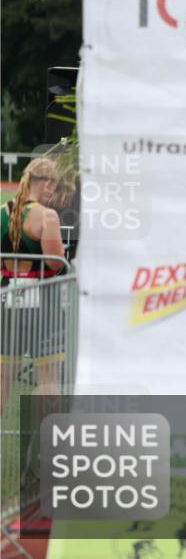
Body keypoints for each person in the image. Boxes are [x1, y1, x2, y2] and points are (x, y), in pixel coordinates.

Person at [1, 157, 67, 408]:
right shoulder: (46, 216)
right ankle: (45, 444)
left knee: (3, 376)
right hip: (44, 300)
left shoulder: (1, 214)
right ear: (48, 184)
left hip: (7, 297)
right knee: (48, 378)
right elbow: (55, 263)